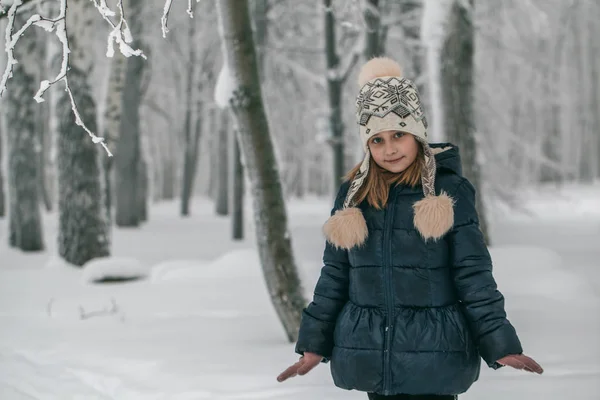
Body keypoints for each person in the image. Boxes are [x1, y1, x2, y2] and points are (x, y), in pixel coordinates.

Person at [276, 57, 543, 399]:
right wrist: (314, 342)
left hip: (436, 355)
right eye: (377, 140)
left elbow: (473, 275)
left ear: (417, 132)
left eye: (399, 135)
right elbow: (334, 277)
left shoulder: (449, 192)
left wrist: (498, 342)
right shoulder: (354, 196)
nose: (389, 149)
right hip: (372, 356)